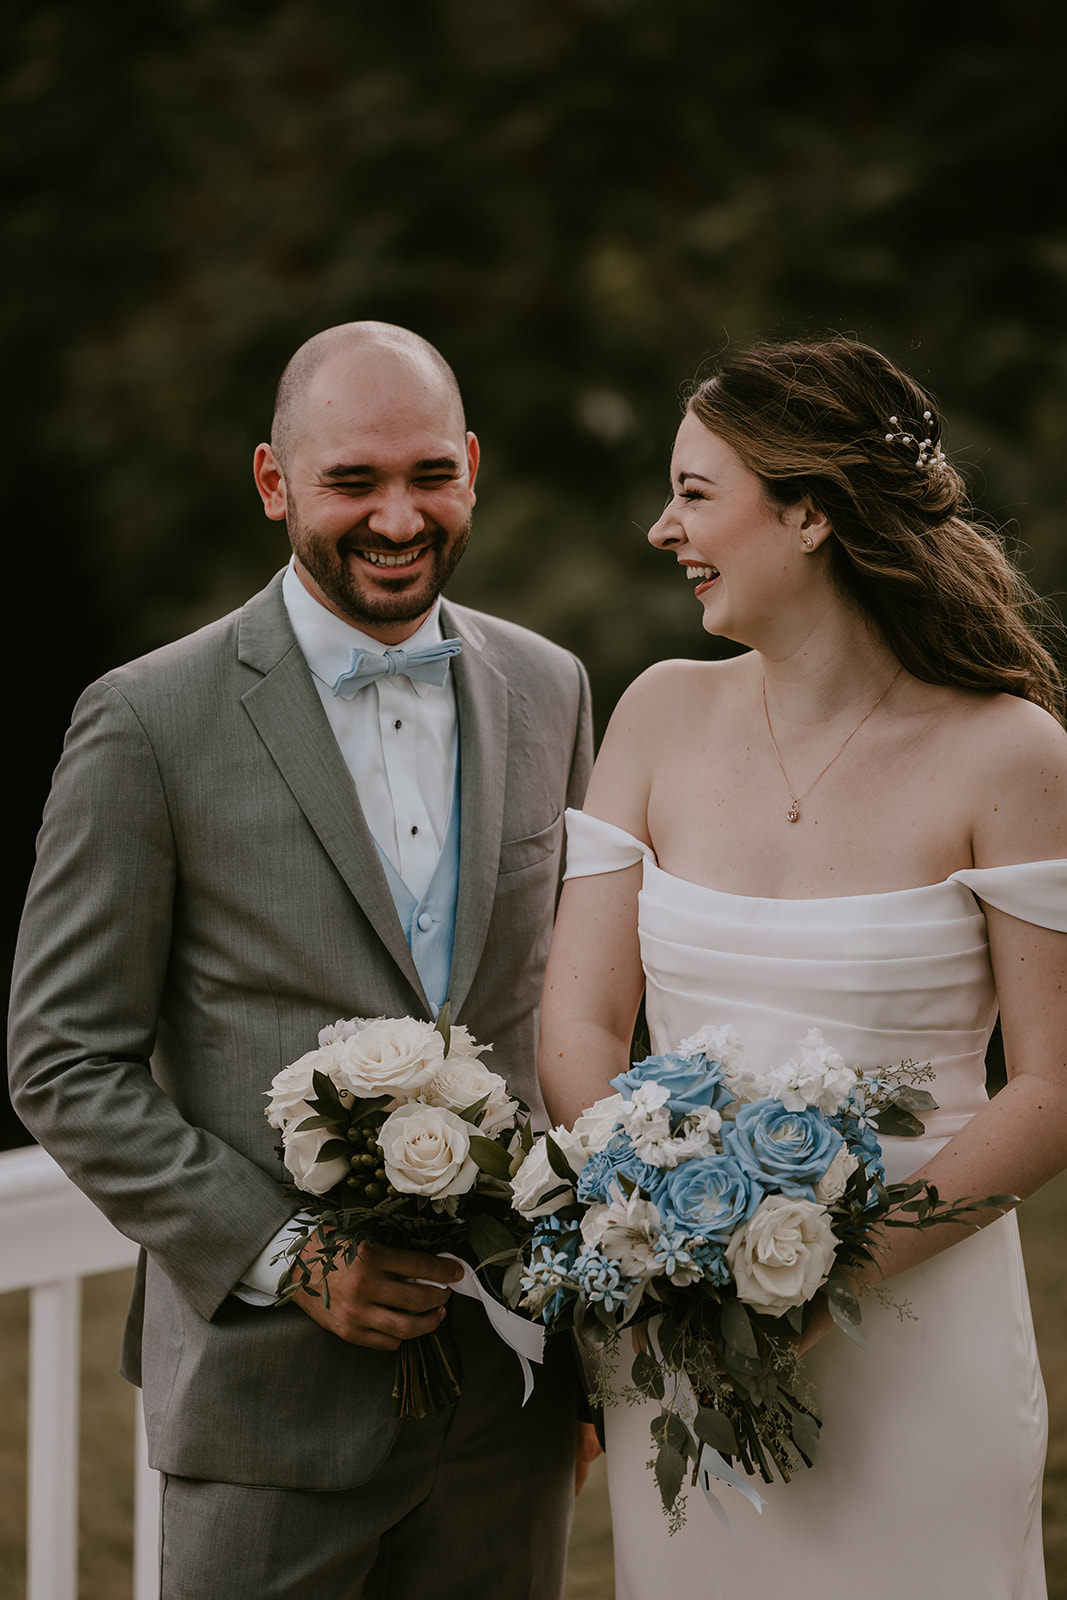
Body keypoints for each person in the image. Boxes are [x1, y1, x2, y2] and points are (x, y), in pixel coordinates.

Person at [8, 321, 594, 1599]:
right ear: (275, 482)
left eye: (431, 474)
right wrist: (294, 1254)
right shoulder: (147, 719)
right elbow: (61, 1059)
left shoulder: (551, 689)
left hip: (512, 1395)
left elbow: (573, 1017)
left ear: (474, 469)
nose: (399, 516)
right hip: (265, 1408)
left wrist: (594, 1345)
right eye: (353, 481)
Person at [538, 337, 1067, 1600]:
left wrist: (821, 1270)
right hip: (681, 1331)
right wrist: (656, 1231)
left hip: (917, 1329)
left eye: (695, 493)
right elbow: (578, 1017)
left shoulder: (1007, 753)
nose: (664, 528)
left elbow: (1048, 1085)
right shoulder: (658, 711)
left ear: (810, 512)